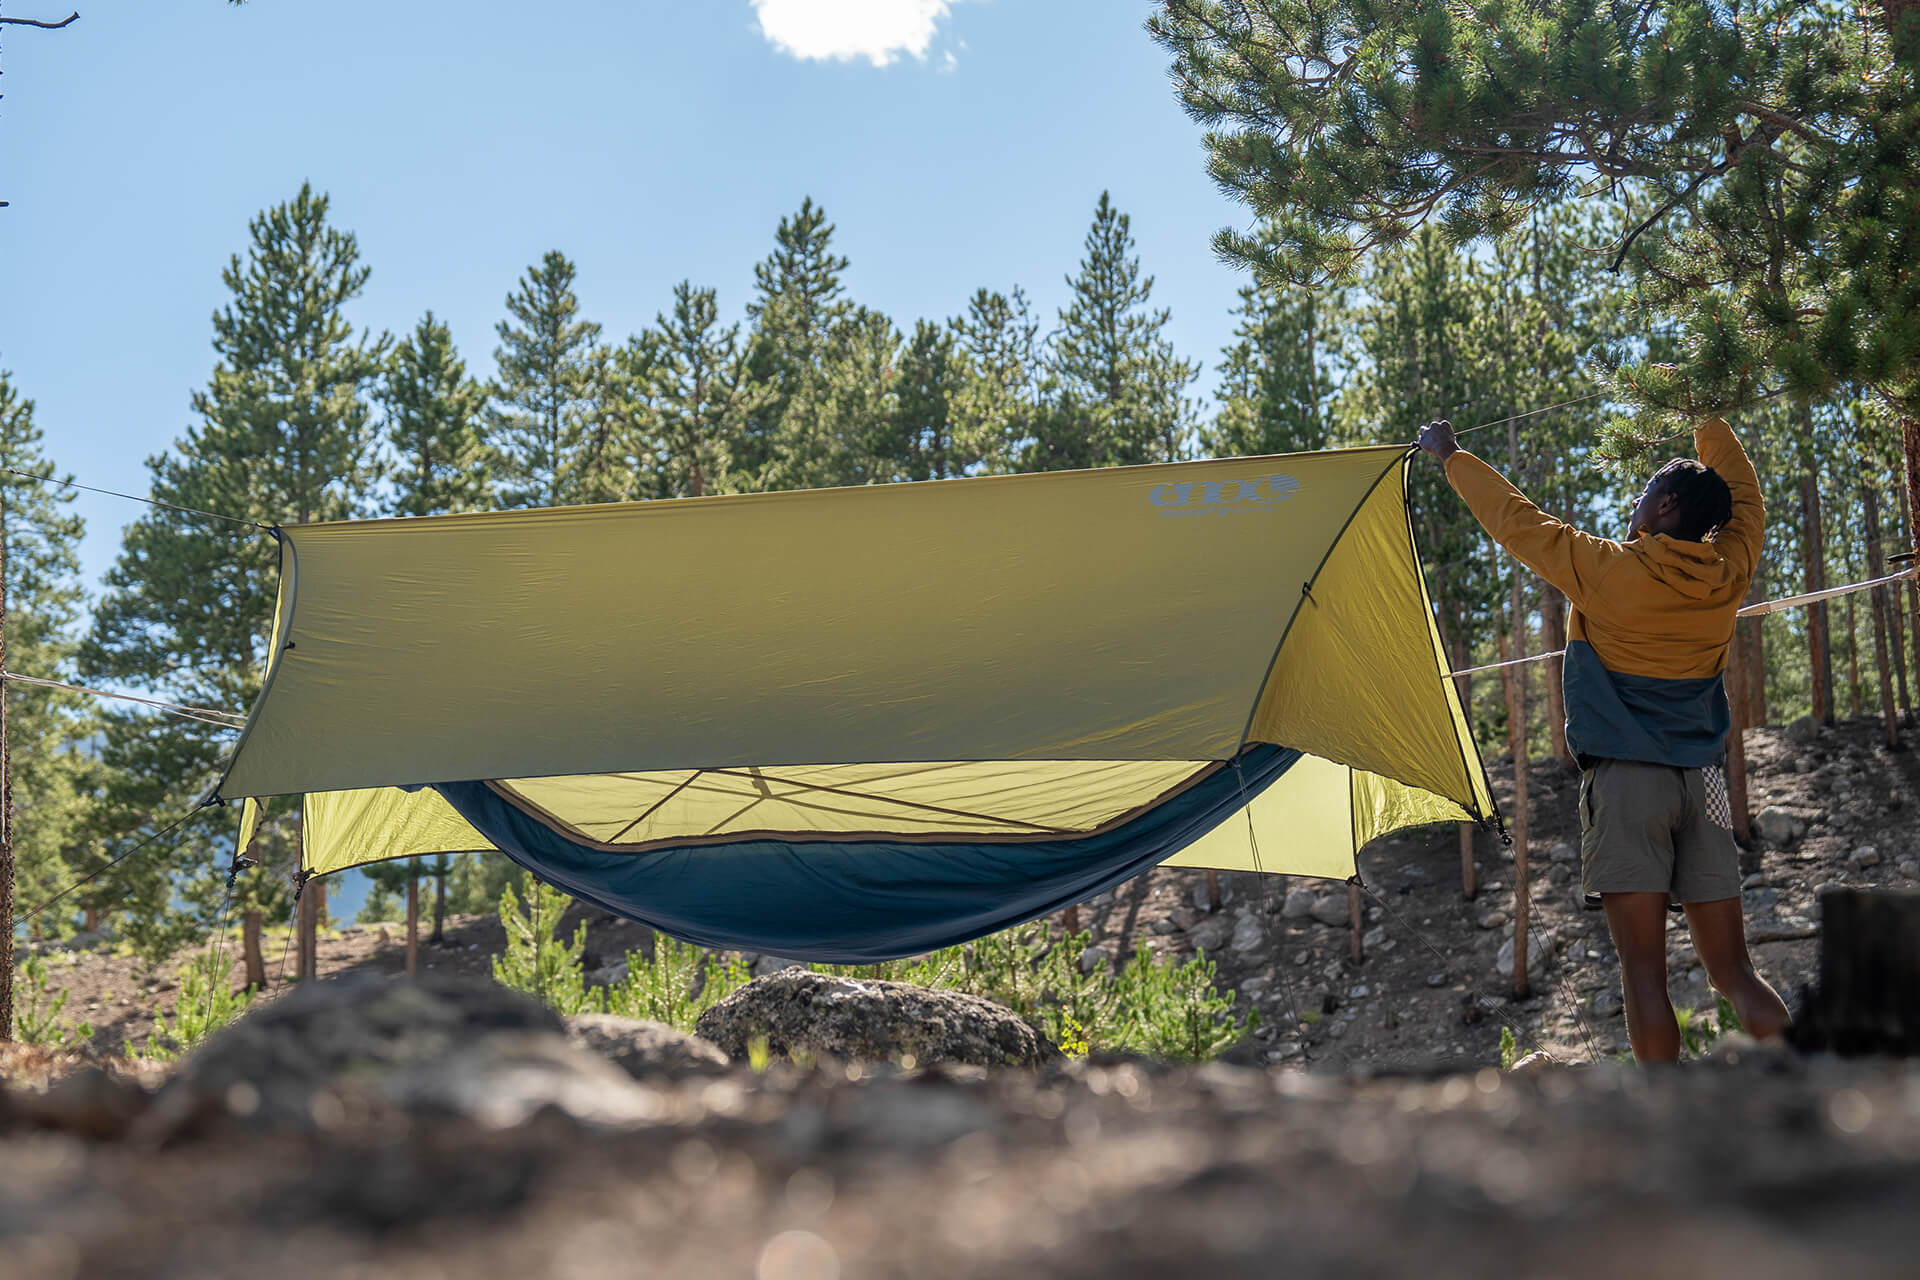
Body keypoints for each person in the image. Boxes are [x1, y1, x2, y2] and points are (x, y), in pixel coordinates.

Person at [1416, 416, 1791, 1063]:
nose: (1634, 504)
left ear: (1665, 505)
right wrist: (1704, 421)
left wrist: (1449, 455)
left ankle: (1664, 1129)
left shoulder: (1606, 571)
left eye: (1644, 492)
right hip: (1705, 782)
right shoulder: (1730, 572)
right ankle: (1813, 1092)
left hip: (1626, 783)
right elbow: (1746, 498)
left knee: (1644, 974)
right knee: (1734, 973)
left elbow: (1517, 521)